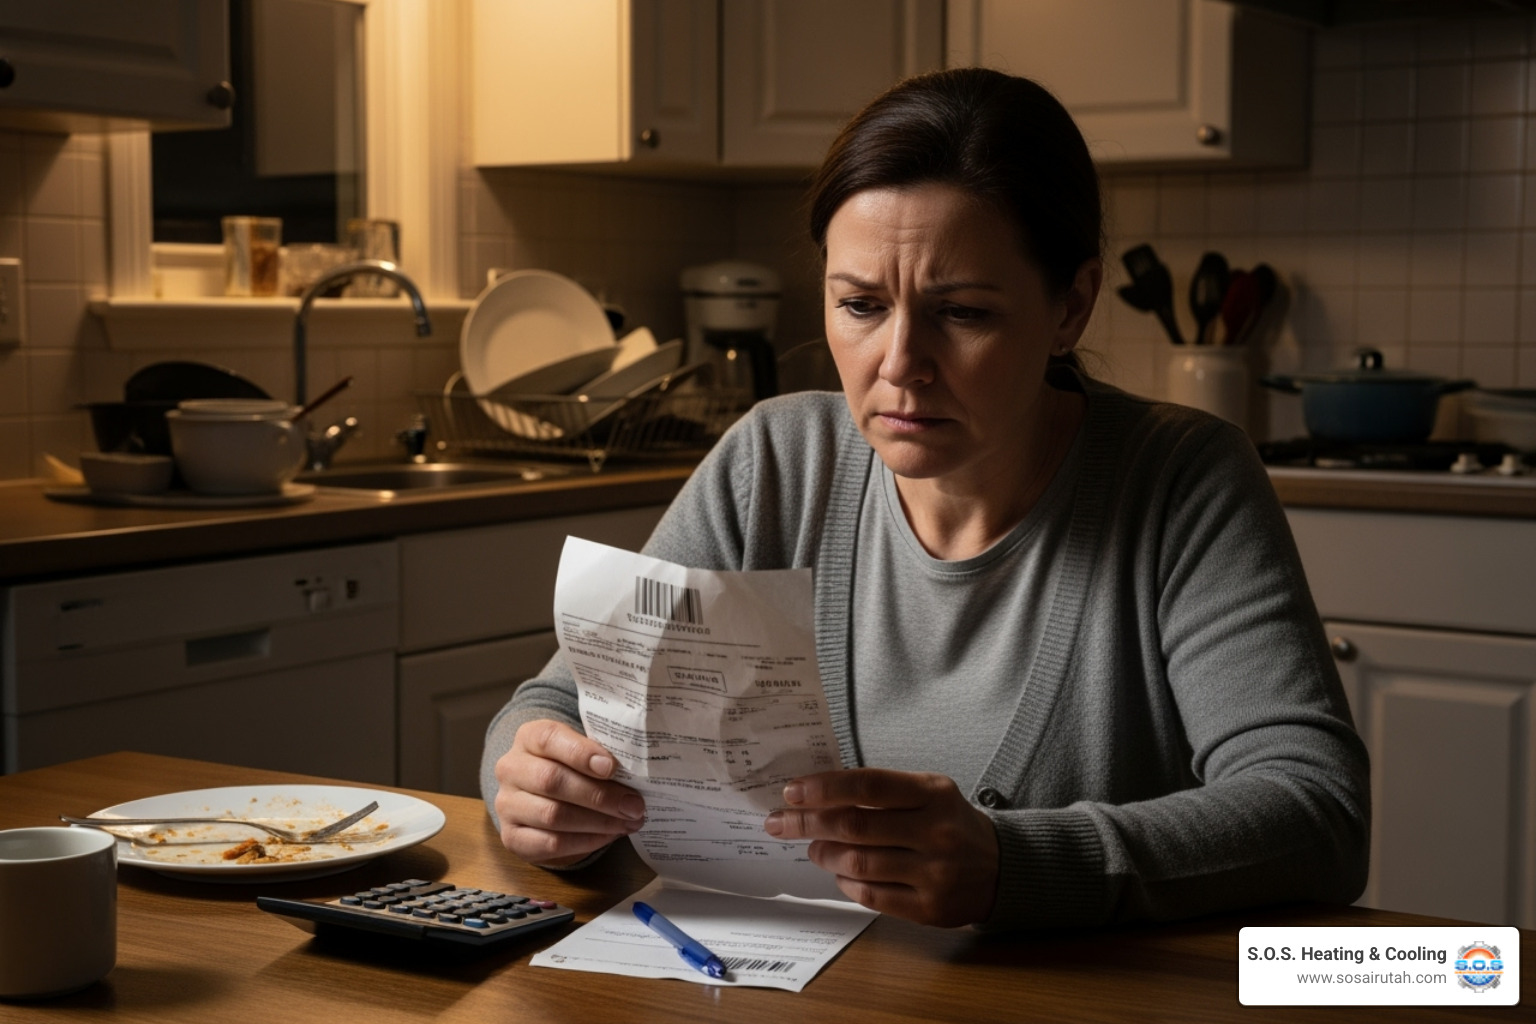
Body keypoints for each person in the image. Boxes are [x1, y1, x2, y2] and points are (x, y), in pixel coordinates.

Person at [481, 67, 1370, 931]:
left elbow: (1315, 810)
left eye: (964, 313)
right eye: (861, 305)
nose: (899, 364)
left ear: (1072, 306)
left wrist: (1015, 866)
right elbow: (553, 707)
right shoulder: (774, 459)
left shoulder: (1183, 479)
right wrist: (529, 785)